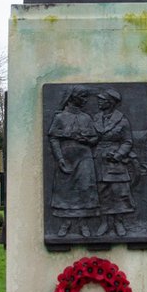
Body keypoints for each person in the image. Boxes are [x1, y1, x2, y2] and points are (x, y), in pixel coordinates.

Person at [46, 86, 99, 237]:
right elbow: (54, 138)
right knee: (65, 191)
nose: (85, 100)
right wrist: (60, 159)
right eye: (82, 96)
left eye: (85, 97)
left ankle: (83, 224)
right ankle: (66, 223)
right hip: (66, 157)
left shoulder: (86, 118)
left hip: (85, 157)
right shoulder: (60, 117)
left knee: (85, 189)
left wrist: (87, 139)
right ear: (72, 97)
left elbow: (95, 138)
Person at [92, 89, 136, 238]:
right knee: (101, 192)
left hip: (115, 161)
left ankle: (119, 222)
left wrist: (118, 155)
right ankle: (104, 222)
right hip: (98, 160)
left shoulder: (122, 120)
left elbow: (128, 141)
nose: (99, 102)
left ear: (110, 103)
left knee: (119, 192)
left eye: (102, 100)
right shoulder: (95, 119)